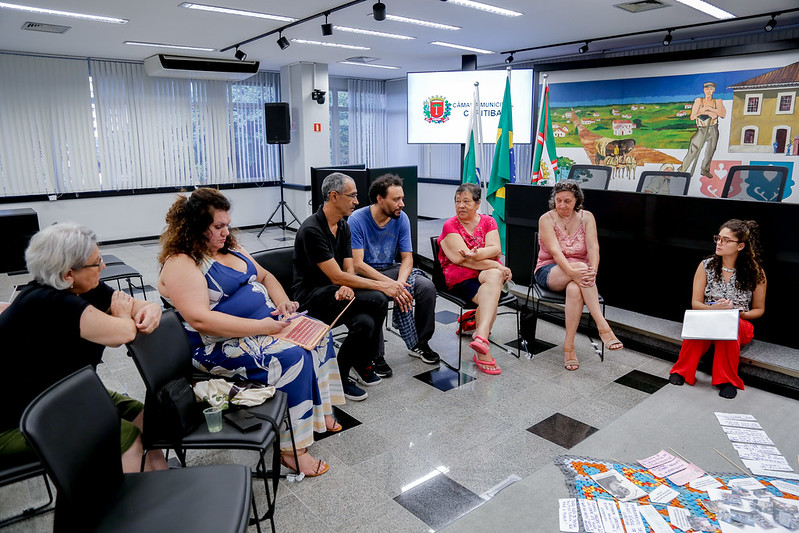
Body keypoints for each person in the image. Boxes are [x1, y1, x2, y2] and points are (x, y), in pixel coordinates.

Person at [158, 188, 342, 477]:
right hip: (217, 345)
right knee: (292, 356)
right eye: (218, 226)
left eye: (227, 224)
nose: (225, 231)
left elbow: (266, 276)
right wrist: (262, 327)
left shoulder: (229, 248)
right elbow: (202, 320)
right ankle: (292, 450)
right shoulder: (182, 262)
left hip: (260, 329)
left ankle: (319, 413)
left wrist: (282, 303)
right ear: (195, 227)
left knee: (320, 335)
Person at [0, 223, 167, 473]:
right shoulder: (47, 302)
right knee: (125, 437)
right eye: (97, 262)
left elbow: (135, 306)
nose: (104, 266)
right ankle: (129, 506)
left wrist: (152, 308)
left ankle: (159, 482)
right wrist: (123, 316)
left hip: (67, 393)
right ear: (68, 274)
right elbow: (122, 333)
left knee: (145, 420)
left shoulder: (82, 288)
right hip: (20, 419)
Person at [293, 172, 400, 399]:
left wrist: (348, 286)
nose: (357, 201)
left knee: (366, 323)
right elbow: (336, 276)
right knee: (379, 298)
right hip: (312, 297)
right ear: (334, 196)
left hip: (337, 292)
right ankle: (362, 363)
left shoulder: (342, 225)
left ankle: (347, 371)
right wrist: (381, 285)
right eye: (352, 196)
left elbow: (347, 268)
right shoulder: (311, 230)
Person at [349, 173, 441, 366]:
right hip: (366, 273)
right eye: (396, 199)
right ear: (379, 199)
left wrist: (399, 283)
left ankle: (420, 344)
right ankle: (376, 355)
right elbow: (358, 264)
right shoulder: (357, 220)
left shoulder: (402, 218)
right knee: (379, 298)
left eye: (402, 198)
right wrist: (390, 285)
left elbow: (407, 258)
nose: (402, 204)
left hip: (391, 269)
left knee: (427, 287)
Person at [669, 219, 767, 399]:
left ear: (740, 246)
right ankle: (681, 371)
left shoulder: (756, 272)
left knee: (730, 326)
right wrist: (713, 309)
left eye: (726, 240)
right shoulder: (705, 266)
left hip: (739, 324)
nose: (719, 243)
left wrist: (738, 313)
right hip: (710, 319)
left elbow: (759, 309)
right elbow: (696, 304)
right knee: (700, 326)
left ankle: (727, 380)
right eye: (718, 238)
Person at [534, 180, 622, 371]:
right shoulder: (546, 219)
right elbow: (556, 252)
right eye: (558, 201)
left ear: (577, 201)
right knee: (581, 268)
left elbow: (593, 247)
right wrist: (575, 271)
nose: (562, 205)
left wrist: (594, 271)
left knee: (575, 290)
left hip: (579, 275)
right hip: (550, 270)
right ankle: (602, 326)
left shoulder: (587, 217)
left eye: (567, 201)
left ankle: (569, 347)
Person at [437, 182, 512, 375]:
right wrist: (497, 265)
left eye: (466, 201)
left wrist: (477, 255)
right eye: (457, 201)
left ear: (477, 204)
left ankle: (480, 337)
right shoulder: (450, 225)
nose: (460, 205)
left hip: (484, 272)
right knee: (492, 292)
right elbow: (460, 261)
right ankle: (482, 347)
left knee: (493, 281)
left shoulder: (488, 221)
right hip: (459, 276)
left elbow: (495, 249)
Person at [678, 81, 726, 179]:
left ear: (714, 90)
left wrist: (709, 109)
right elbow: (692, 116)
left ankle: (705, 170)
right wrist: (705, 111)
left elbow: (722, 114)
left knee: (710, 150)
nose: (709, 91)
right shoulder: (699, 101)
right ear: (704, 90)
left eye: (711, 89)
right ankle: (682, 169)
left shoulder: (717, 101)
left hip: (713, 128)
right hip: (702, 129)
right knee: (694, 148)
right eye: (707, 89)